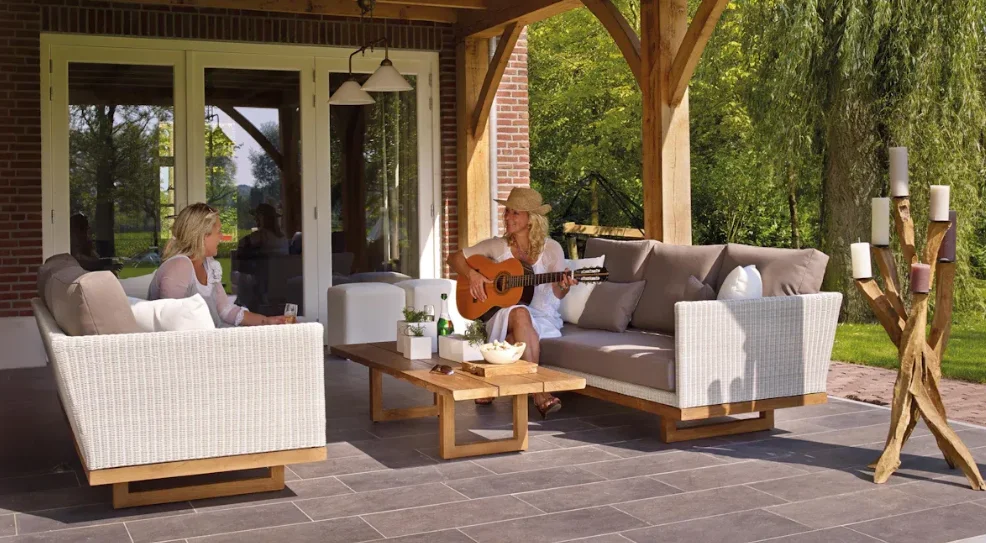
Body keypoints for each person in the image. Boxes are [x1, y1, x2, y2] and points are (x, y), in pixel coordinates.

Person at [446, 187, 577, 418]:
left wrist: (564, 285)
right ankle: (539, 392)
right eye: (507, 211)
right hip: (503, 314)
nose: (507, 217)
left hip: (543, 318)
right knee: (518, 312)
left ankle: (493, 379)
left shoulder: (552, 248)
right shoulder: (498, 246)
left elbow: (557, 293)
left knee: (514, 333)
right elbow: (454, 257)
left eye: (515, 213)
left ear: (531, 219)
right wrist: (472, 275)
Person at [148, 203, 288, 327]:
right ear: (201, 235)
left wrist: (267, 321)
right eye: (218, 231)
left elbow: (225, 310)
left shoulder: (209, 265)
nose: (221, 237)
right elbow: (172, 324)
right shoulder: (179, 266)